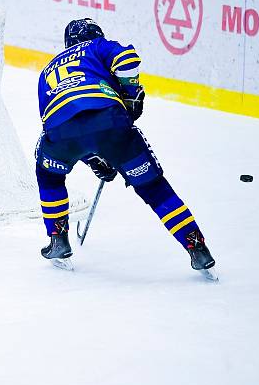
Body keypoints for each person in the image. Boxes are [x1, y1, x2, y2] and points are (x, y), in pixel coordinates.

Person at [35, 18, 216, 279]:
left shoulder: (46, 71)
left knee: (49, 175)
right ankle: (198, 249)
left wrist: (93, 158)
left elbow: (58, 123)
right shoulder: (98, 47)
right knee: (153, 187)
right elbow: (127, 59)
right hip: (111, 124)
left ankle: (58, 239)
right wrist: (130, 92)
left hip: (62, 136)